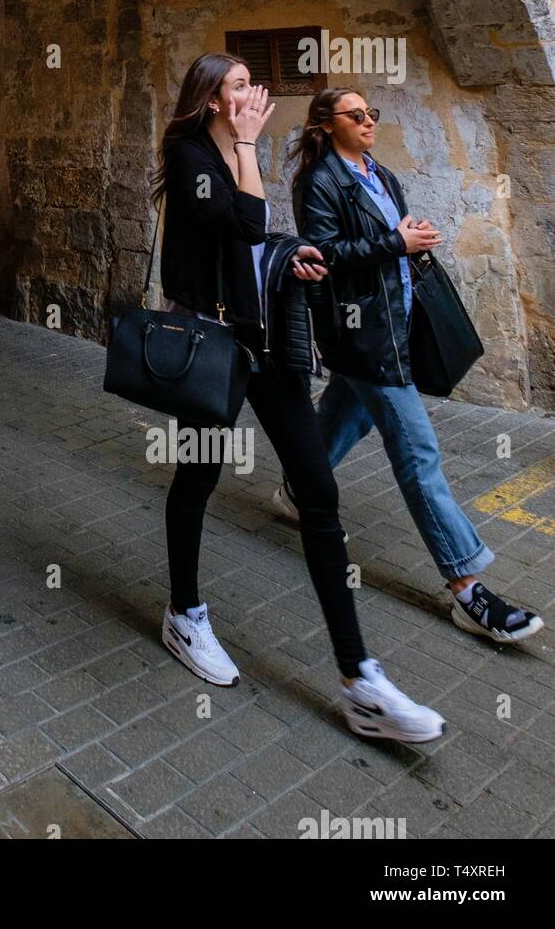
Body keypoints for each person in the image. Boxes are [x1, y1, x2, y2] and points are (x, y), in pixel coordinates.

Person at [155, 53, 444, 742]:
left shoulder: (233, 152)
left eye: (252, 83)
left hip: (265, 344)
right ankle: (184, 614)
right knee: (198, 477)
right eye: (238, 86)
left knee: (318, 490)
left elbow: (256, 244)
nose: (253, 93)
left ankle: (359, 679)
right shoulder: (190, 151)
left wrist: (292, 256)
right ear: (213, 99)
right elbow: (244, 223)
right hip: (213, 345)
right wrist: (249, 149)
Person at [289, 87, 543, 644]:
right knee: (418, 453)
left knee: (347, 411)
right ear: (327, 126)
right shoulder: (322, 180)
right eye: (355, 115)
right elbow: (322, 254)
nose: (368, 121)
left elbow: (389, 235)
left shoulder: (377, 171)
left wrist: (412, 237)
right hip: (364, 334)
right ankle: (467, 587)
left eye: (370, 113)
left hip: (394, 321)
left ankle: (299, 483)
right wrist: (393, 242)